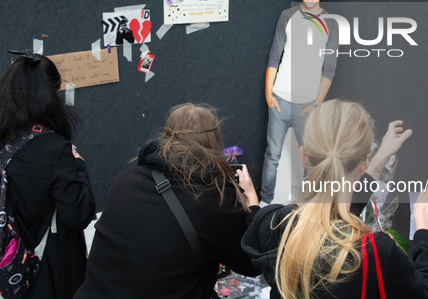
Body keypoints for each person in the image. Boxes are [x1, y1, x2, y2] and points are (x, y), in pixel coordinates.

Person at [243, 99, 428, 299]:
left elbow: (331, 217)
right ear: (363, 163)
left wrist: (253, 202)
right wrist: (423, 225)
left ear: (304, 157)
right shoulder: (375, 253)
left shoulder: (274, 222)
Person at [74, 103, 260, 299]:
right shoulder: (213, 198)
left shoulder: (127, 177)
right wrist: (253, 207)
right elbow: (252, 262)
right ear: (213, 142)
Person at [0, 50, 95, 299]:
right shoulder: (55, 150)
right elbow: (79, 214)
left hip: (8, 274)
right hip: (49, 274)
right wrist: (78, 164)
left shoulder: (5, 142)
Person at [260, 0, 338, 204]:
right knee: (272, 155)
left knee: (310, 159)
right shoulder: (287, 16)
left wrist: (316, 103)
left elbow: (329, 68)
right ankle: (264, 202)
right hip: (280, 99)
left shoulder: (331, 24)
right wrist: (268, 93)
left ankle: (306, 205)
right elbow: (274, 56)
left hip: (307, 104)